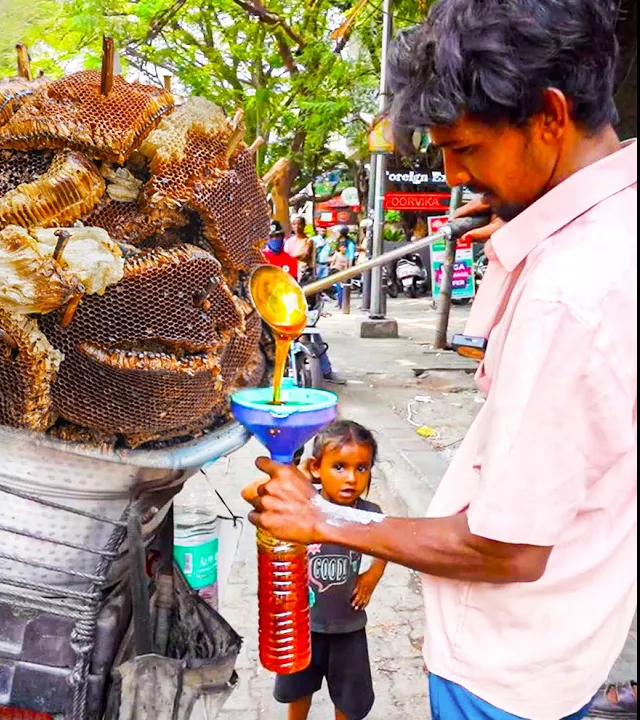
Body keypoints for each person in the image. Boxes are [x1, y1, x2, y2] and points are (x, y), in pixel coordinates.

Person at [242, 1, 636, 719]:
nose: (452, 174)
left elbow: (508, 549)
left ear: (549, 117)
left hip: (505, 674)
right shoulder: (610, 221)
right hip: (573, 636)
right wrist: (521, 223)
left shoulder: (570, 290)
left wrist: (325, 518)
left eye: (466, 149)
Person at [274, 421, 387, 720]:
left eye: (361, 468)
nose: (351, 478)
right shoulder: (306, 506)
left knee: (348, 701)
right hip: (302, 626)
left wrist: (372, 577)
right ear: (316, 468)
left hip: (348, 627)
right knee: (298, 693)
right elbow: (265, 490)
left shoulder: (369, 515)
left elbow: (386, 547)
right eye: (339, 467)